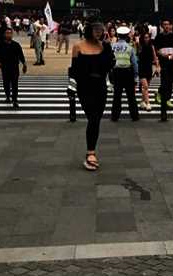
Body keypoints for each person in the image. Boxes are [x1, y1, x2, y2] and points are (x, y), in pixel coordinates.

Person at [67, 18, 115, 171]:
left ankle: (91, 152)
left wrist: (107, 47)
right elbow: (74, 70)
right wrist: (71, 87)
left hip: (100, 86)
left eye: (101, 30)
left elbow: (109, 65)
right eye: (96, 30)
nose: (99, 33)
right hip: (84, 87)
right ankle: (90, 153)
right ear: (89, 30)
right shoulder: (78, 46)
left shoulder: (103, 46)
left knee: (96, 119)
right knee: (93, 118)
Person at [153, 19, 173, 121]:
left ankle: (161, 93)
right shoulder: (159, 36)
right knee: (165, 84)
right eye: (164, 24)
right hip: (163, 64)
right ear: (162, 26)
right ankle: (163, 112)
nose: (166, 26)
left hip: (171, 63)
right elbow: (156, 49)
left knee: (170, 83)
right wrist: (162, 54)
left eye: (168, 24)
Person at [110, 26, 139, 122]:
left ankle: (115, 116)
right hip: (128, 73)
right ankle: (134, 116)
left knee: (117, 96)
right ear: (126, 36)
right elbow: (134, 63)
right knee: (131, 96)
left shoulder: (113, 46)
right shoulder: (130, 47)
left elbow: (110, 61)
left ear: (118, 35)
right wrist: (136, 76)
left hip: (116, 73)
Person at [0, 27, 27, 109]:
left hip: (14, 67)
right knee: (6, 83)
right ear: (4, 34)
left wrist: (24, 64)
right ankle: (8, 96)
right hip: (5, 67)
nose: (9, 35)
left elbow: (21, 55)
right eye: (7, 33)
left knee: (14, 84)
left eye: (10, 33)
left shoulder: (16, 45)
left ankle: (15, 100)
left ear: (12, 34)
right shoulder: (0, 45)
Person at [138, 31, 159, 111]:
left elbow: (155, 57)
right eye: (145, 37)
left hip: (149, 68)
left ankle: (142, 101)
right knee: (145, 86)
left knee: (145, 88)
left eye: (148, 37)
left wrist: (157, 68)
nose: (146, 39)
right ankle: (148, 103)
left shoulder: (151, 46)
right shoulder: (139, 46)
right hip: (141, 68)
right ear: (142, 38)